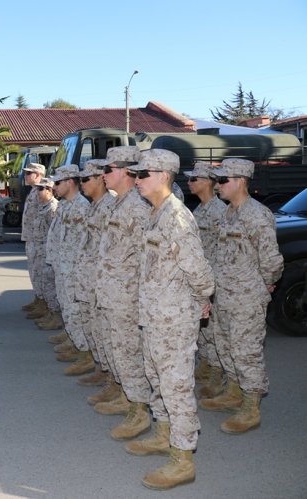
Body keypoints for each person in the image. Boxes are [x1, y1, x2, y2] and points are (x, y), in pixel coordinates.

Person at [124, 149, 215, 491]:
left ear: (163, 175)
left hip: (174, 318)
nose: (138, 179)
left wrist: (203, 298)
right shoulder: (156, 213)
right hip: (155, 314)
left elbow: (197, 267)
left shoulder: (175, 216)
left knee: (176, 387)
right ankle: (164, 433)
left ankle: (183, 458)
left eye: (143, 174)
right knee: (158, 379)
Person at [199, 158, 283, 435]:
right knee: (226, 346)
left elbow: (271, 260)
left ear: (241, 181)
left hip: (246, 297)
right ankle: (233, 391)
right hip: (224, 294)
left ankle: (250, 405)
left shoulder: (256, 215)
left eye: (223, 180)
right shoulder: (227, 214)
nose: (218, 185)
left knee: (247, 352)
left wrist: (265, 285)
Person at [93, 146, 153, 443]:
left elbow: (148, 260)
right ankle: (128, 397)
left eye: (108, 169)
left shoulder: (138, 208)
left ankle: (140, 410)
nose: (103, 175)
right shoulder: (120, 204)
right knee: (118, 351)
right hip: (112, 293)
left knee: (130, 353)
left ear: (128, 171)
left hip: (128, 298)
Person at [184, 162, 227, 399]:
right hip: (201, 276)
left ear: (208, 182)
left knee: (214, 329)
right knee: (203, 328)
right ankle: (207, 365)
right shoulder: (200, 209)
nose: (189, 182)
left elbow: (224, 248)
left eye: (194, 179)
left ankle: (217, 371)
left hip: (215, 278)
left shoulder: (218, 211)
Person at [73, 160, 116, 388]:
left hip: (101, 283)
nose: (82, 184)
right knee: (95, 329)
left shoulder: (109, 207)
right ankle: (103, 369)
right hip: (89, 280)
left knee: (106, 332)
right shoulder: (94, 206)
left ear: (101, 178)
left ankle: (112, 380)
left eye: (86, 179)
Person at [49, 165, 92, 375]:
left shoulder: (82, 207)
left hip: (75, 271)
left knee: (76, 311)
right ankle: (74, 341)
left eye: (57, 182)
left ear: (69, 182)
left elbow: (86, 245)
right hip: (63, 266)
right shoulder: (65, 206)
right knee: (68, 308)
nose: (54, 187)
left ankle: (85, 353)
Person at [28, 178, 59, 328]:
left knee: (50, 285)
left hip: (48, 253)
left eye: (41, 189)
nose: (38, 192)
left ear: (49, 190)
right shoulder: (43, 207)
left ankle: (55, 316)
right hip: (40, 251)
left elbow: (54, 234)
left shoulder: (53, 208)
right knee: (43, 283)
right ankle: (49, 312)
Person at [20, 163, 47, 314]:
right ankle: (38, 298)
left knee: (40, 271)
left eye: (29, 173)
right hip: (31, 238)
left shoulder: (42, 191)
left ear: (38, 175)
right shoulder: (33, 191)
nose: (26, 176)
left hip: (39, 239)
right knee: (34, 271)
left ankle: (43, 303)